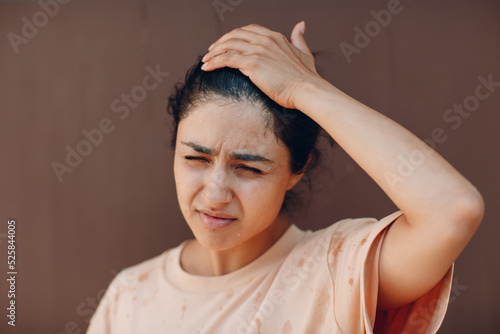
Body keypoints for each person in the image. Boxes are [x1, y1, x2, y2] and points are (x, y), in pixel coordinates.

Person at [86, 21, 484, 333]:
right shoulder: (130, 294)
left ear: (299, 169)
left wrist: (305, 88)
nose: (216, 192)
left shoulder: (333, 271)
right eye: (196, 158)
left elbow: (453, 209)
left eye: (249, 168)